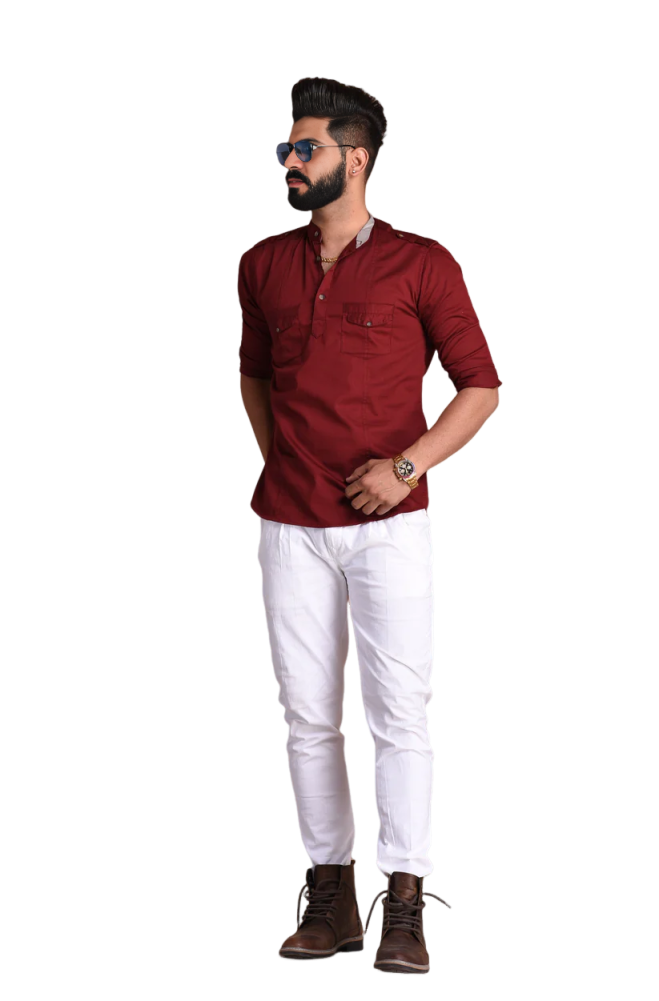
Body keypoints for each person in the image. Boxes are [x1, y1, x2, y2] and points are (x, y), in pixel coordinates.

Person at [238, 76, 501, 975]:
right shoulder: (261, 264)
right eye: (285, 146)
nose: (287, 160)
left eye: (303, 147)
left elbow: (480, 387)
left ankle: (403, 896)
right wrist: (282, 461)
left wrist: (406, 467)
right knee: (306, 715)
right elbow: (253, 376)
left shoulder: (422, 261)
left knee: (397, 713)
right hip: (288, 526)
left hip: (391, 529)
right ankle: (330, 890)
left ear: (354, 159)